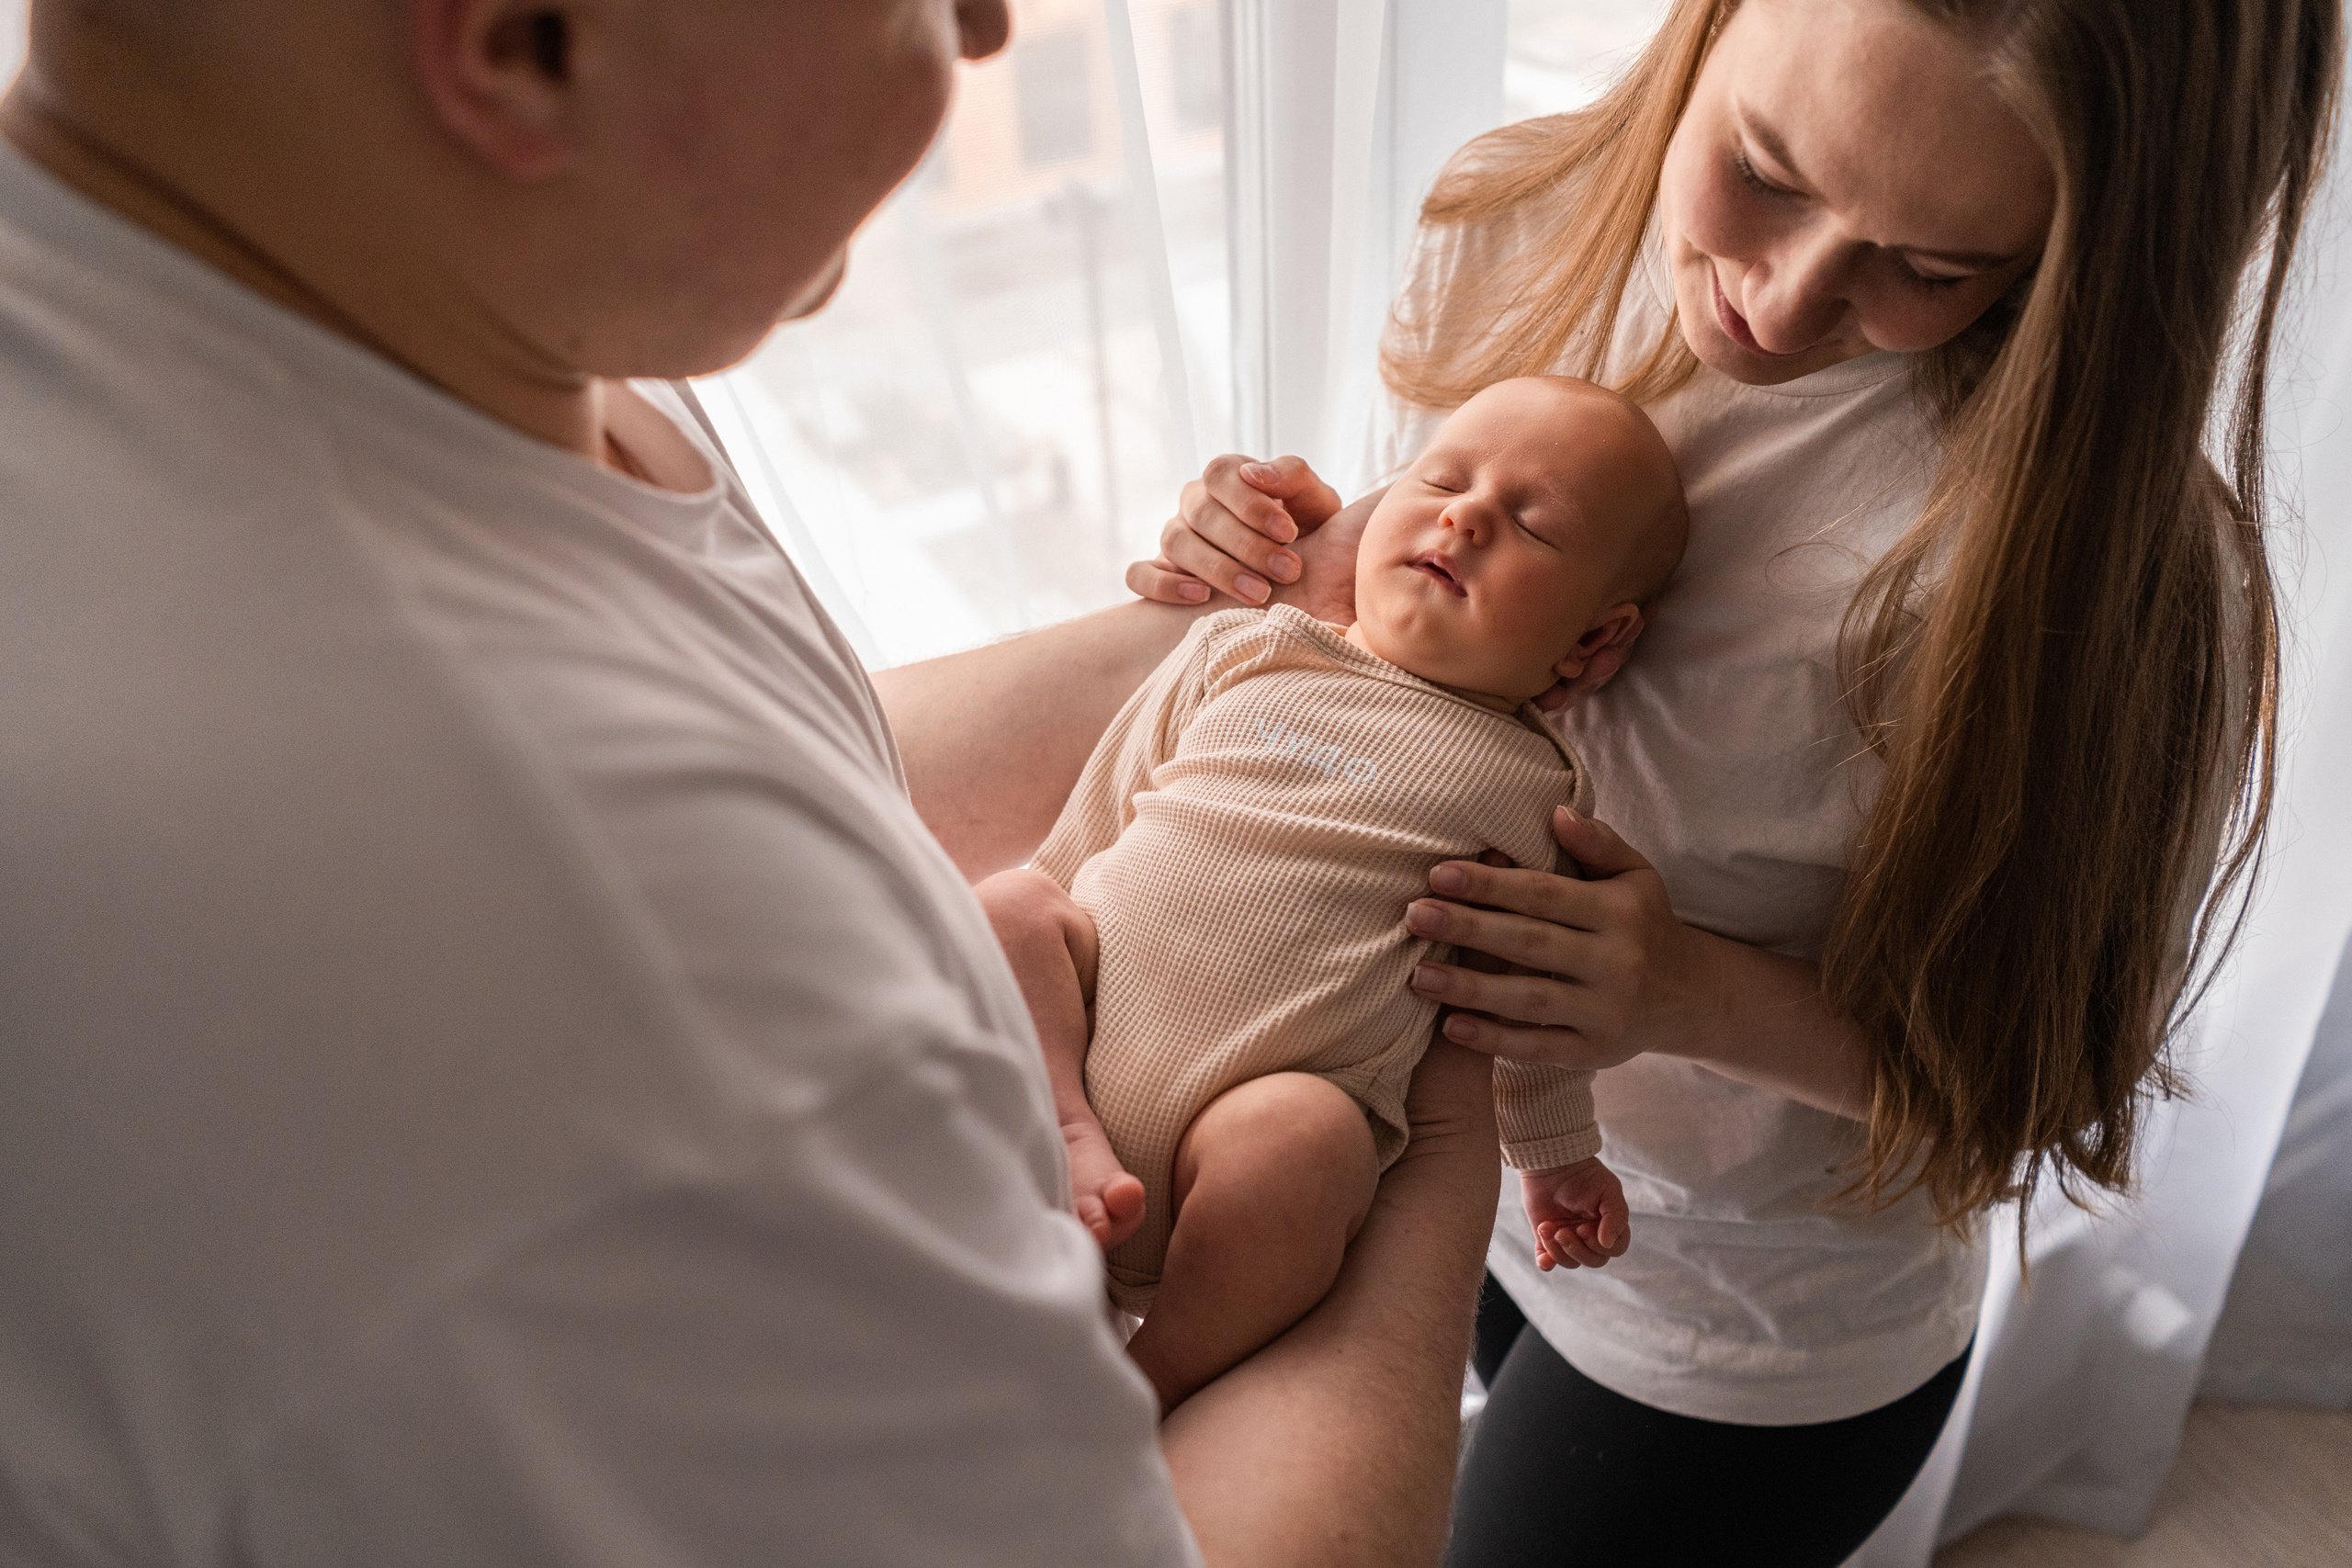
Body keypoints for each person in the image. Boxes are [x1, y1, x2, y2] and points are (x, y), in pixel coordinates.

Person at [0, 3, 1509, 1564]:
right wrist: (1441, 1124)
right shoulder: (623, 954)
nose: (991, 27)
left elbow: (780, 741)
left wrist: (1287, 640)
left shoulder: (436, 322)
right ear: (522, 44)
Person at [883, 0, 2344, 1562]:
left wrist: (1673, 987)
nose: (1779, 307)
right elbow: (1391, 689)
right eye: (1765, 169)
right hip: (1453, 1182)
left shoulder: (2095, 572)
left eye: (1931, 270)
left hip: (1741, 1337)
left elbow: (2044, 1087)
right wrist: (1277, 568)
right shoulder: (1520, 231)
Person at [978, 376, 1686, 1411]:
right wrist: (1040, 945)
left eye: (1531, 527)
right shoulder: (1249, 644)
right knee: (1005, 904)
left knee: (1308, 1144)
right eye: (1441, 476)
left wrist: (1554, 1157)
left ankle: (1151, 1382)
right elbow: (1101, 812)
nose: (1466, 513)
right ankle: (1061, 1125)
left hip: (1250, 1124)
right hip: (1083, 1050)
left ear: (1588, 643)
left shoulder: (1534, 793)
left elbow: (1528, 1000)